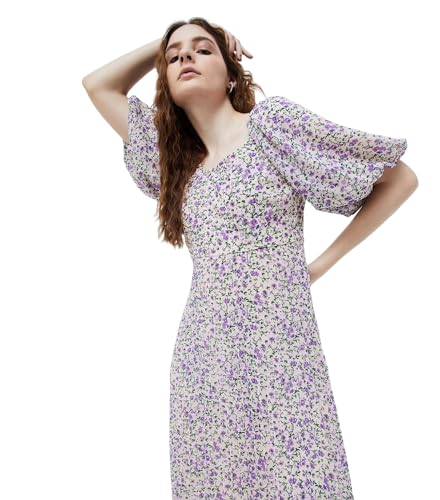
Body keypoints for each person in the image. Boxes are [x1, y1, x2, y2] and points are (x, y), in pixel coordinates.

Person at [83, 17, 418, 499]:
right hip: (204, 362)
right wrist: (163, 42)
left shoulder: (272, 127)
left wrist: (317, 266)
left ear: (231, 73)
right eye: (174, 57)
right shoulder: (176, 165)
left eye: (203, 50)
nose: (185, 57)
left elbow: (399, 179)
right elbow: (98, 86)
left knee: (305, 480)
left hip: (281, 353)